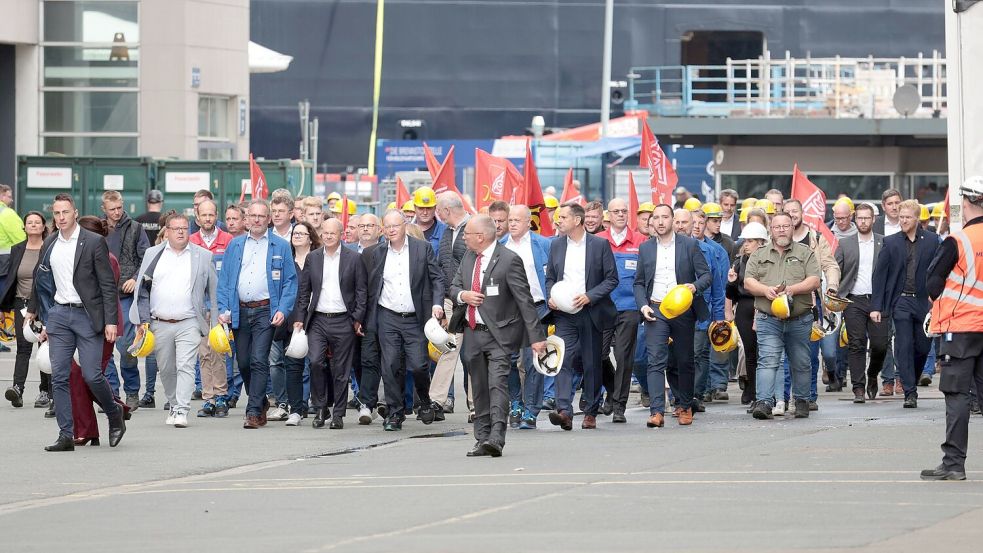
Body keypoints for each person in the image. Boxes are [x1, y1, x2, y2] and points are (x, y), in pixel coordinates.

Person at [28, 193, 125, 451]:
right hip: (59, 315)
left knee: (92, 375)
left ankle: (114, 413)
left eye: (65, 212)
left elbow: (107, 284)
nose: (61, 218)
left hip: (87, 315)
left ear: (75, 213)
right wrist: (34, 310)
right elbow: (41, 278)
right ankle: (66, 435)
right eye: (57, 213)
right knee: (59, 377)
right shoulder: (50, 243)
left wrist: (111, 322)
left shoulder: (92, 242)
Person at [449, 215, 545, 457]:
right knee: (479, 388)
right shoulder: (469, 257)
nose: (463, 237)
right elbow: (453, 287)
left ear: (480, 236)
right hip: (472, 334)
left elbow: (525, 301)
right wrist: (464, 296)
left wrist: (536, 337)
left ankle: (496, 437)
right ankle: (481, 437)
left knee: (497, 385)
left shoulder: (509, 260)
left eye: (467, 234)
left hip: (500, 335)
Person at [129, 213, 218, 428]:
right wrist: (142, 320)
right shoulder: (153, 254)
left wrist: (214, 322)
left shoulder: (203, 256)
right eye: (175, 228)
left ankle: (182, 409)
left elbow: (213, 291)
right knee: (166, 368)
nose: (180, 232)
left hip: (189, 321)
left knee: (186, 365)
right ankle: (173, 403)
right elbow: (141, 289)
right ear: (166, 232)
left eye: (184, 228)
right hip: (159, 322)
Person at [921, 176, 983, 481]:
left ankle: (954, 463)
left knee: (957, 395)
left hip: (961, 329)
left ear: (968, 203)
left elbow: (932, 284)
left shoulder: (957, 241)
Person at [216, 199, 297, 429]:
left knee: (259, 359)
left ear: (269, 218)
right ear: (246, 219)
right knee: (243, 362)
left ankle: (252, 412)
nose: (257, 220)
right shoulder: (235, 245)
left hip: (266, 310)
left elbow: (291, 281)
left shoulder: (280, 246)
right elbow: (224, 281)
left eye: (262, 216)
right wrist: (223, 309)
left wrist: (283, 308)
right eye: (253, 216)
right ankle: (260, 400)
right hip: (239, 310)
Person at [365, 210, 444, 430]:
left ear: (405, 224)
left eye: (395, 226)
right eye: (387, 226)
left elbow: (437, 278)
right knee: (390, 366)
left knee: (419, 365)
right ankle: (395, 413)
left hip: (415, 317)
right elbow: (371, 286)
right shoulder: (377, 252)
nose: (391, 230)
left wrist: (437, 304)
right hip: (387, 316)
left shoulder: (422, 248)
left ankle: (425, 401)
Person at [634, 205, 711, 427]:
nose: (660, 222)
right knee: (655, 360)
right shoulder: (646, 248)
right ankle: (657, 411)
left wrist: (694, 287)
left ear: (673, 220)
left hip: (682, 309)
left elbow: (706, 275)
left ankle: (685, 405)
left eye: (664, 217)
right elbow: (639, 282)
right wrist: (642, 305)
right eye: (655, 218)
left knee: (684, 359)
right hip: (656, 309)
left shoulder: (689, 245)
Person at [545, 203, 618, 430]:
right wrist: (551, 295)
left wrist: (590, 296)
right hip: (564, 314)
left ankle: (590, 410)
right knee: (562, 360)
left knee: (591, 363)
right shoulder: (556, 245)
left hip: (590, 312)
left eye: (563, 217)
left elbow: (611, 279)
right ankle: (564, 410)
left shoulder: (599, 245)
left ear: (577, 220)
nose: (558, 221)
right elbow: (550, 277)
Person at [744, 212, 821, 420]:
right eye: (777, 227)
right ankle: (764, 402)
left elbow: (815, 279)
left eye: (785, 226)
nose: (781, 230)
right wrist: (765, 290)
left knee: (801, 361)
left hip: (799, 318)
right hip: (768, 319)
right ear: (771, 229)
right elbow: (748, 281)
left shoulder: (805, 252)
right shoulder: (759, 254)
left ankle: (802, 400)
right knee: (768, 360)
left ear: (792, 227)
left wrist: (793, 289)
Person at [295, 219, 366, 429]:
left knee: (341, 370)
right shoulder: (313, 258)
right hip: (317, 319)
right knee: (316, 362)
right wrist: (300, 317)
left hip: (343, 319)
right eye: (324, 233)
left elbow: (362, 291)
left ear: (341, 234)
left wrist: (357, 318)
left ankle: (338, 413)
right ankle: (320, 408)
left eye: (332, 233)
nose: (327, 236)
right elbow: (304, 291)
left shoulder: (354, 258)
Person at [871, 199, 939, 409]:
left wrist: (937, 296)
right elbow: (880, 276)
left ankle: (914, 376)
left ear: (917, 219)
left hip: (924, 301)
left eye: (907, 217)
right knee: (903, 345)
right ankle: (910, 392)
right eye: (901, 217)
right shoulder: (891, 243)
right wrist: (877, 306)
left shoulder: (932, 241)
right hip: (900, 300)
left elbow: (940, 271)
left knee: (922, 346)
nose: (903, 221)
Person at [784, 199, 840, 410]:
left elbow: (830, 265)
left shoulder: (815, 238)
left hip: (811, 303)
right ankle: (785, 396)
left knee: (809, 352)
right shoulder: (777, 238)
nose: (792, 215)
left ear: (802, 213)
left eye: (795, 211)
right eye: (787, 211)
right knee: (785, 354)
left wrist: (832, 286)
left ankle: (809, 397)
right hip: (782, 303)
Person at [100, 190, 151, 410]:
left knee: (127, 346)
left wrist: (134, 279)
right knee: (105, 348)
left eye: (119, 207)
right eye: (112, 209)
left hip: (127, 297)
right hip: (103, 296)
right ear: (104, 210)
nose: (117, 212)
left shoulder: (136, 228)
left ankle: (131, 392)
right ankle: (111, 393)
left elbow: (146, 259)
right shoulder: (98, 230)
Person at [502, 205, 551, 429]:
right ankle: (516, 403)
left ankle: (531, 409)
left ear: (527, 222)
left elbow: (553, 274)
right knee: (510, 360)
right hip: (509, 311)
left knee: (534, 361)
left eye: (516, 220)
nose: (511, 224)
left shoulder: (543, 245)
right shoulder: (500, 246)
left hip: (537, 308)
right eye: (509, 220)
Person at [596, 198, 644, 422]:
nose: (621, 215)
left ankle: (619, 407)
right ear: (608, 215)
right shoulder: (597, 241)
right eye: (616, 211)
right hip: (602, 308)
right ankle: (613, 388)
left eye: (624, 211)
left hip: (629, 307)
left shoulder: (640, 241)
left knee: (624, 356)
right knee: (598, 355)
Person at [836, 203, 888, 403]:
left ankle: (873, 374)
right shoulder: (845, 244)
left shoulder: (884, 243)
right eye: (860, 218)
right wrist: (834, 291)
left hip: (878, 300)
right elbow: (836, 269)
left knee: (880, 345)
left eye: (867, 218)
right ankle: (858, 387)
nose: (863, 221)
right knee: (856, 344)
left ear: (873, 219)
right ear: (854, 219)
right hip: (854, 300)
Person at [189, 199, 235, 416]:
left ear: (216, 216)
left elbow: (232, 275)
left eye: (211, 215)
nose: (207, 219)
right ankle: (208, 398)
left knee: (219, 351)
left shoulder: (228, 240)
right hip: (199, 307)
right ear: (197, 217)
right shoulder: (190, 242)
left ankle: (221, 397)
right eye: (203, 215)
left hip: (220, 306)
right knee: (204, 354)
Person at [2, 211, 51, 408]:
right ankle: (17, 389)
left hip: (42, 306)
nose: (33, 225)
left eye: (37, 222)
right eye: (29, 222)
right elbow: (12, 275)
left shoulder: (48, 248)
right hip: (20, 305)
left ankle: (45, 391)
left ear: (42, 227)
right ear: (24, 227)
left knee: (43, 348)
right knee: (23, 348)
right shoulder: (17, 249)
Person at [432, 192, 472, 417]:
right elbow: (440, 267)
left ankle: (476, 405)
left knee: (472, 356)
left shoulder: (473, 228)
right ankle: (436, 399)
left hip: (470, 301)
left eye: (439, 210)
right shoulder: (446, 232)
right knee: (448, 348)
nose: (437, 215)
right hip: (449, 300)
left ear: (447, 210)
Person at [278, 220, 319, 424]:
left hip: (317, 319)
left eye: (302, 233)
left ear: (311, 237)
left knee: (317, 364)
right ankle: (295, 408)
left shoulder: (319, 259)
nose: (297, 236)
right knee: (293, 365)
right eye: (295, 233)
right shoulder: (287, 261)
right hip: (291, 320)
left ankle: (319, 405)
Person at [726, 222, 769, 405]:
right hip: (744, 307)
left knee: (765, 353)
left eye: (750, 241)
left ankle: (765, 393)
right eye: (745, 241)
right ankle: (751, 390)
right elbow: (731, 293)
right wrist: (732, 282)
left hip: (764, 305)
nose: (746, 244)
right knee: (750, 352)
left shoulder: (768, 260)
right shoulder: (739, 261)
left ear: (761, 242)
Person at [691, 210, 730, 406]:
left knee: (700, 352)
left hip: (704, 308)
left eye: (700, 222)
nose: (697, 226)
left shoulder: (716, 251)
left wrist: (719, 314)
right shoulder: (679, 246)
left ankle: (698, 392)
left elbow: (720, 286)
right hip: (681, 308)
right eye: (693, 222)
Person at [0, 184, 26, 308]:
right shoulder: (7, 214)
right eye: (9, 196)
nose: (11, 200)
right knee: (5, 301)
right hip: (5, 266)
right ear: (2, 196)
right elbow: (22, 240)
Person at [412, 186, 446, 252]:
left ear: (435, 207)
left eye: (429, 208)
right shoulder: (406, 231)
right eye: (421, 208)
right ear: (414, 207)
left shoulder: (445, 231)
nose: (425, 212)